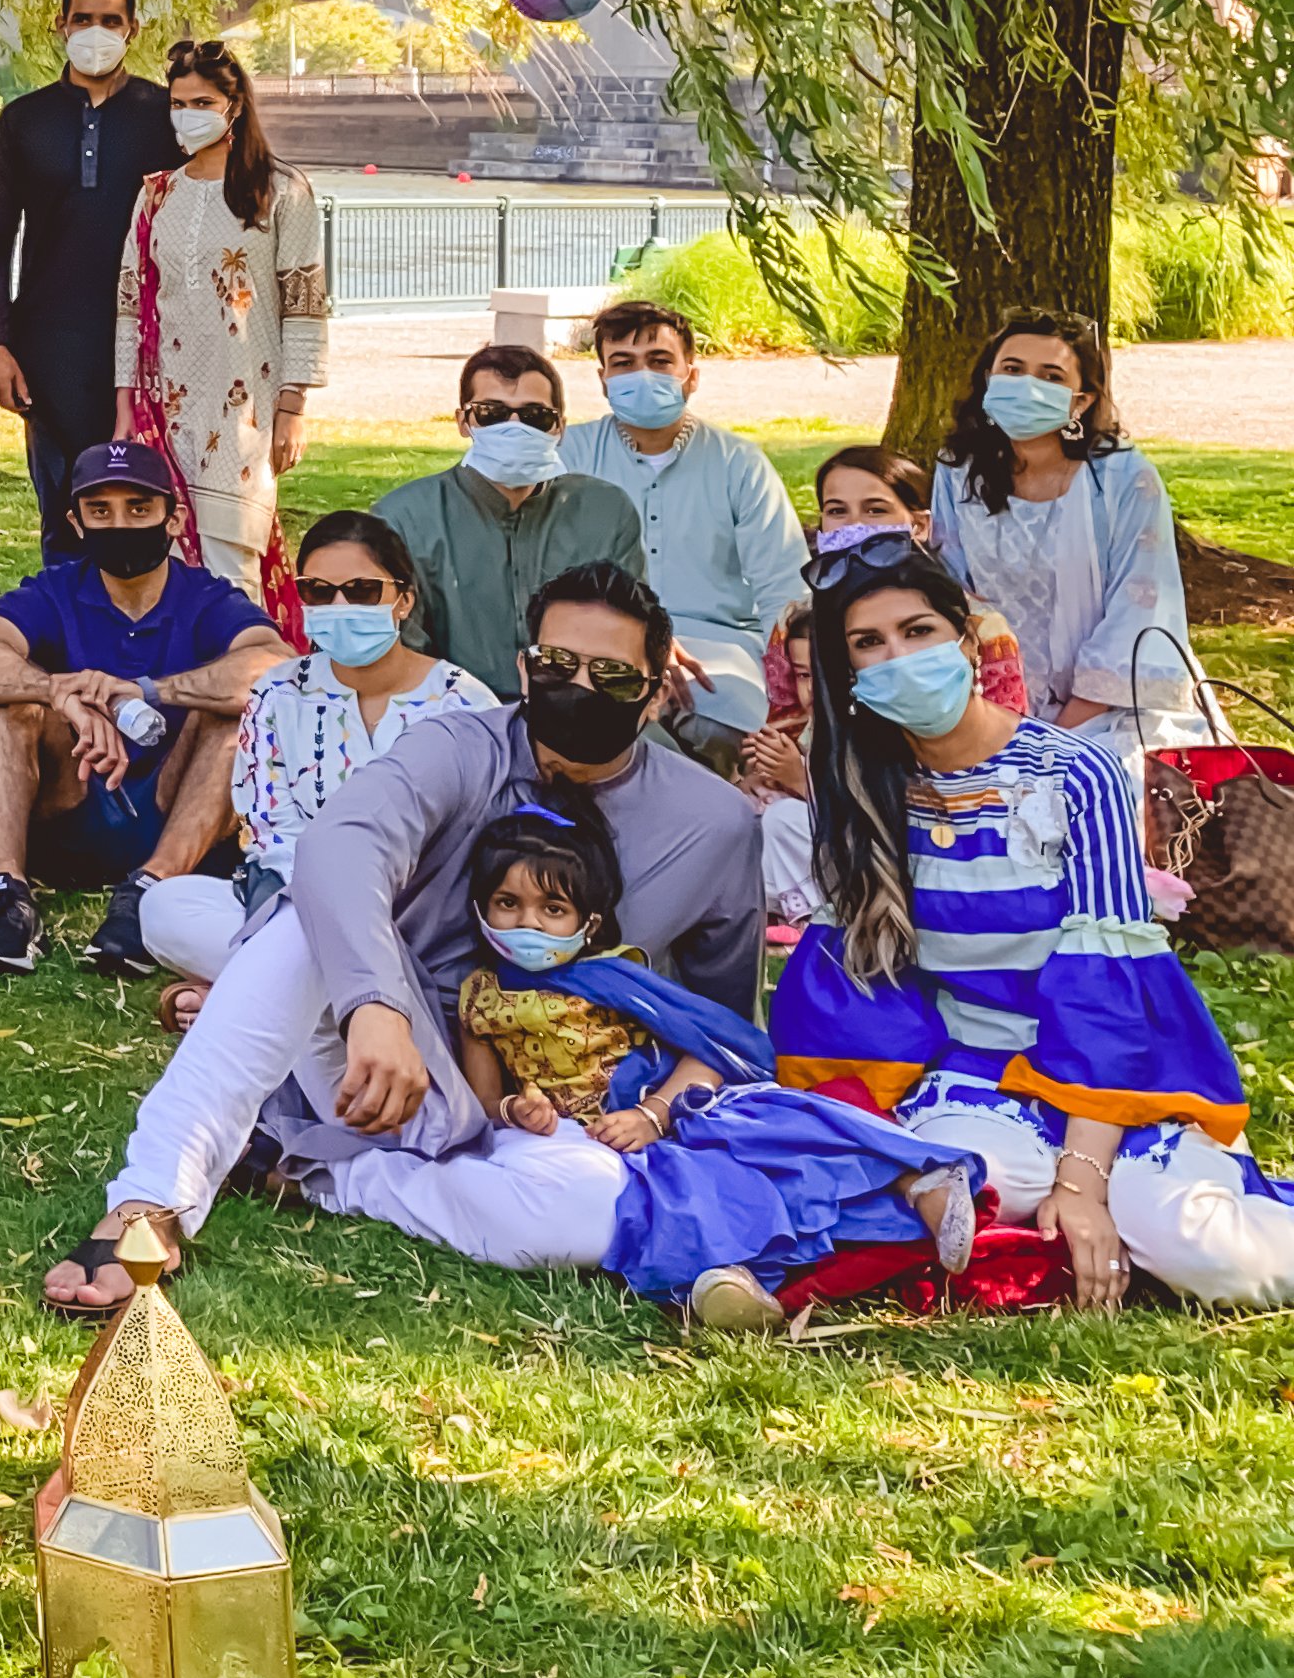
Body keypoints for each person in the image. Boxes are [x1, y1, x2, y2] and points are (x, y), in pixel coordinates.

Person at [42, 562, 762, 1315]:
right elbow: (341, 844)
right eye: (557, 665)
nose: (577, 687)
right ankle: (150, 1199)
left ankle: (323, 1176)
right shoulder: (461, 748)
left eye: (611, 676)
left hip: (542, 1110)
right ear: (524, 668)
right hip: (385, 1061)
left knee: (593, 1211)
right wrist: (374, 1005)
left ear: (653, 697)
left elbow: (716, 1021)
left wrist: (647, 1116)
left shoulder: (713, 825)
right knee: (304, 920)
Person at [776, 537, 1294, 1306]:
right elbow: (862, 999)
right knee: (938, 1191)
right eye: (868, 644)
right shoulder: (861, 794)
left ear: (965, 635)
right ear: (847, 675)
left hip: (1115, 1079)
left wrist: (1083, 1179)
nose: (898, 656)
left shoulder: (1074, 774)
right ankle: (1048, 1231)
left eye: (918, 631)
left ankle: (1109, 1214)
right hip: (976, 1079)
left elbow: (1109, 994)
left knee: (1211, 1258)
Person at [442, 785, 975, 1329]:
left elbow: (705, 1056)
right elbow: (486, 1101)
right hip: (602, 1142)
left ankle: (918, 1178)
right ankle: (741, 1285)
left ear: (589, 923)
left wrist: (654, 1114)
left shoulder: (617, 979)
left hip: (678, 1107)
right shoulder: (479, 999)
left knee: (766, 1135)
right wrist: (519, 1112)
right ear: (480, 908)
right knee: (687, 1197)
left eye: (552, 909)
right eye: (508, 904)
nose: (528, 923)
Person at [0, 439, 291, 979]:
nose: (120, 524)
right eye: (100, 511)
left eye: (139, 509)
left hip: (176, 816)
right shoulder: (56, 590)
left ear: (173, 521)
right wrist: (61, 693)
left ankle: (146, 892)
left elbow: (274, 665)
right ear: (76, 523)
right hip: (71, 803)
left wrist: (146, 691)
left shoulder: (206, 596)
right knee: (6, 705)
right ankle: (8, 895)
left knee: (235, 714)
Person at [139, 511, 496, 1014]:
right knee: (163, 909)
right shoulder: (278, 691)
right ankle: (352, 991)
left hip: (419, 912)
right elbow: (270, 831)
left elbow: (473, 839)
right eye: (319, 592)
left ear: (404, 601)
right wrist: (336, 909)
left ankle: (254, 995)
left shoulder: (464, 704)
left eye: (363, 591)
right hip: (298, 901)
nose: (340, 606)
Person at [734, 449, 1024, 926]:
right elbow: (785, 721)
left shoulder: (979, 625)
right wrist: (768, 776)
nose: (854, 526)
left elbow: (1004, 739)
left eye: (875, 510)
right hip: (826, 803)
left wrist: (803, 784)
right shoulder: (796, 621)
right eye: (836, 511)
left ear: (919, 525)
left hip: (949, 816)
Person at [0, 0, 183, 552]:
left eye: (110, 20)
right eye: (83, 18)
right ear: (60, 25)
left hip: (149, 344)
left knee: (148, 501)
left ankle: (144, 633)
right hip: (49, 349)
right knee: (63, 508)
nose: (97, 30)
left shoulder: (166, 118)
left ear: (132, 28)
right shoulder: (23, 120)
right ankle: (65, 635)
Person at [927, 306, 1201, 750]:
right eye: (1012, 370)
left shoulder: (1121, 478)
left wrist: (1054, 736)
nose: (1028, 386)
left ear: (1082, 401)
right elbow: (950, 590)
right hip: (988, 702)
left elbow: (1141, 608)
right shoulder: (957, 471)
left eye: (1051, 377)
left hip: (1114, 711)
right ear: (987, 383)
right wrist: (995, 713)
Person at [112, 35, 323, 602]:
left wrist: (292, 407)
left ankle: (248, 682)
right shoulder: (157, 195)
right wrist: (125, 407)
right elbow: (131, 308)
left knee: (235, 565)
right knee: (169, 558)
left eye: (202, 103)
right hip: (167, 403)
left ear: (234, 106)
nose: (188, 116)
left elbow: (304, 305)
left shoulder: (281, 190)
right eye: (179, 104)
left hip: (245, 406)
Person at [554, 299, 808, 738]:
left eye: (659, 361)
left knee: (736, 727)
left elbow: (781, 583)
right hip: (600, 641)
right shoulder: (568, 455)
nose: (642, 375)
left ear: (691, 375)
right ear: (604, 380)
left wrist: (792, 679)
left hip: (721, 649)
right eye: (623, 364)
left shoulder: (738, 463)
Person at [369, 344, 648, 695]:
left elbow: (628, 634)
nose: (513, 427)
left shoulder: (606, 511)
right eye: (491, 413)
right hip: (450, 715)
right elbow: (402, 655)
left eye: (535, 416)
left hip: (584, 707)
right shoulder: (402, 520)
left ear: (559, 427)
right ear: (463, 422)